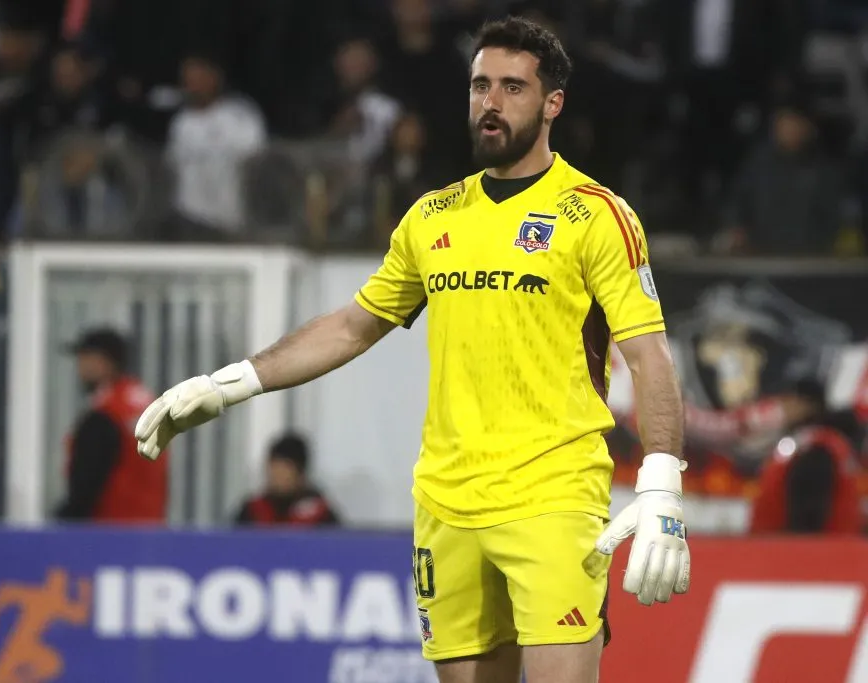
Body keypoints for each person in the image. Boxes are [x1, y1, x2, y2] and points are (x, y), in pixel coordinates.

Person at [135, 16, 689, 683]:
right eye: (480, 85)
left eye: (513, 87)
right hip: (445, 502)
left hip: (553, 494)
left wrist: (661, 481)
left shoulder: (595, 214)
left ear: (552, 104)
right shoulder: (433, 217)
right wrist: (230, 383)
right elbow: (350, 326)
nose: (491, 101)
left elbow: (649, 354)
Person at [55, 327, 168, 523]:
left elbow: (86, 486)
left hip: (107, 534)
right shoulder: (145, 403)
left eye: (85, 358)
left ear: (104, 362)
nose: (80, 368)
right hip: (149, 532)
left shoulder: (106, 415)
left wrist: (61, 524)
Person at [233, 434, 341, 527]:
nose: (276, 479)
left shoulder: (321, 515)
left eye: (284, 472)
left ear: (300, 475)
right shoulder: (252, 511)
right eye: (273, 471)